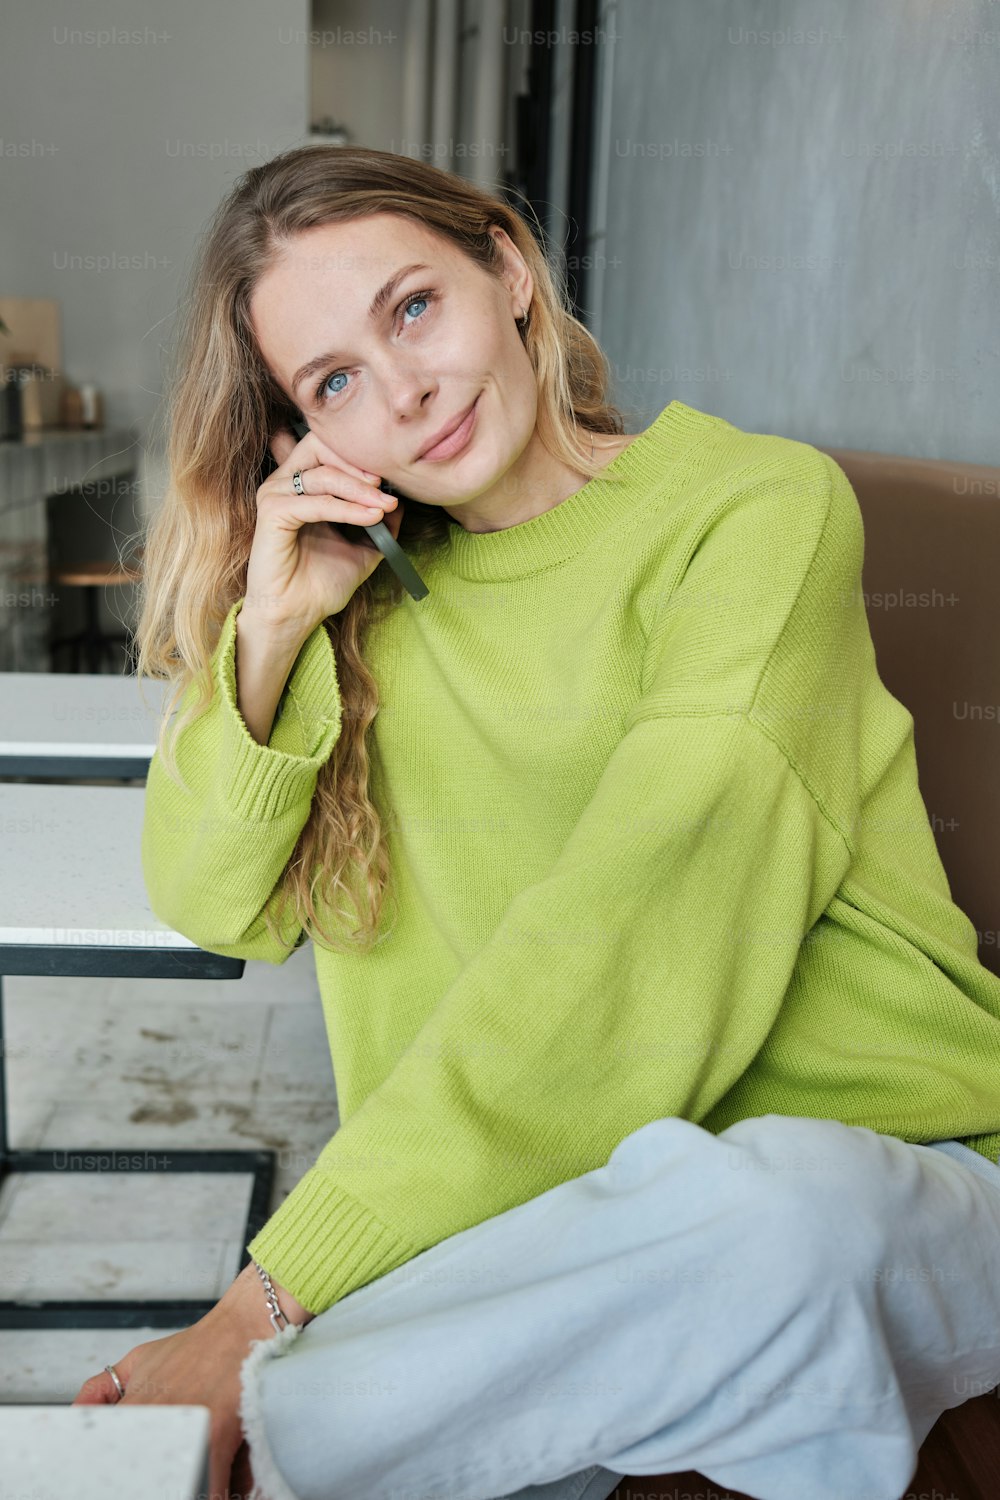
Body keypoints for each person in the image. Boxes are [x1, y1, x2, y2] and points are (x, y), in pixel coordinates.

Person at [71, 144, 1000, 1500]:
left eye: (413, 309)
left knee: (782, 1217)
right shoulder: (361, 607)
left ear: (507, 272)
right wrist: (269, 629)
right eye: (335, 381)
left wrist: (263, 1302)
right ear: (303, 435)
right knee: (690, 1364)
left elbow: (645, 912)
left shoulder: (753, 512)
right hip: (547, 1239)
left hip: (885, 1179)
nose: (407, 391)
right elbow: (207, 895)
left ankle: (267, 1449)